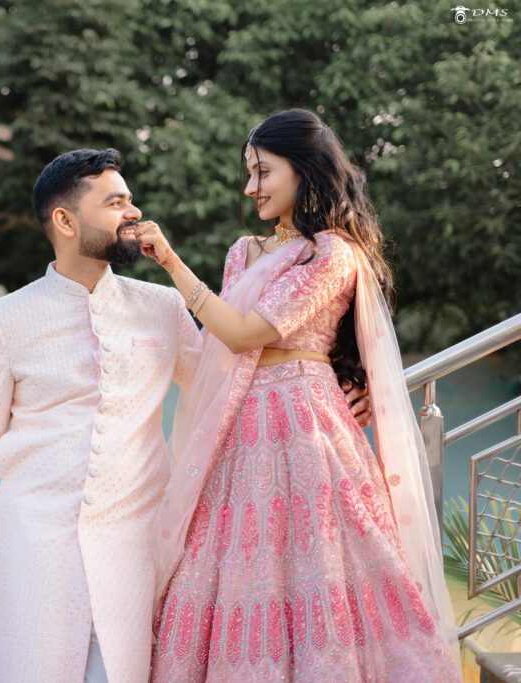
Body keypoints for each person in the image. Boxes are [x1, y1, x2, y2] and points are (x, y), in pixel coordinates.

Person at [0, 148, 371, 683]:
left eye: (129, 199)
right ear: (65, 221)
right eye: (115, 202)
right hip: (31, 552)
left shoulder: (162, 307)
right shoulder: (5, 321)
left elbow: (229, 383)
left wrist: (341, 380)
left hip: (133, 557)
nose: (133, 212)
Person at [135, 109, 461, 682]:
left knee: (318, 569)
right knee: (236, 568)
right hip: (239, 431)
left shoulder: (332, 254)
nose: (250, 187)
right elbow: (219, 348)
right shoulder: (243, 252)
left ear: (303, 171)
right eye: (249, 173)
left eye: (263, 172)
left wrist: (168, 260)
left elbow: (241, 334)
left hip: (308, 431)